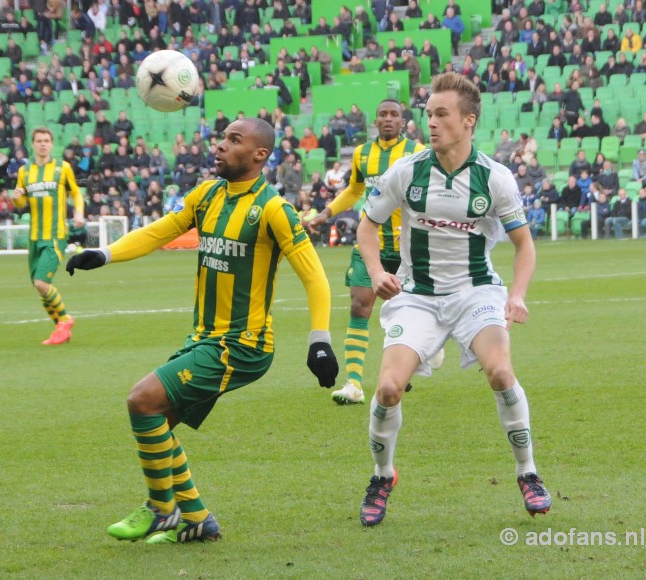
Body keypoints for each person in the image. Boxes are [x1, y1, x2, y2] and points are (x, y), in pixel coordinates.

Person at [64, 118, 339, 544]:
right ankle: (197, 519)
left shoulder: (272, 210)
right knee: (158, 419)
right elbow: (160, 231)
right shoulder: (206, 195)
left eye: (234, 140)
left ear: (259, 155)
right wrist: (104, 253)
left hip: (242, 346)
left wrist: (319, 340)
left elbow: (315, 277)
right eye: (222, 138)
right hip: (205, 339)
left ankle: (161, 509)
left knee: (142, 400)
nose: (220, 146)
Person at [354, 72, 551, 527]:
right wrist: (378, 272)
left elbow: (524, 245)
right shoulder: (406, 171)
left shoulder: (494, 178)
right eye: (429, 114)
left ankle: (529, 472)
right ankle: (383, 476)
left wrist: (516, 295)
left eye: (442, 115)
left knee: (501, 372)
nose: (432, 123)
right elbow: (367, 227)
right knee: (387, 388)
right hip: (417, 296)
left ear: (469, 121)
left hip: (475, 292)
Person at [307, 100, 435, 406]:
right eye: (383, 115)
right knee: (359, 306)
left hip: (408, 248)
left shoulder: (418, 152)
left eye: (394, 115)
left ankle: (405, 368)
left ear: (404, 122)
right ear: (375, 121)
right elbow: (354, 190)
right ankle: (354, 383)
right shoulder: (364, 153)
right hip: (371, 243)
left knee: (411, 312)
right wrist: (325, 214)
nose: (388, 119)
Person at [11, 127, 85, 346]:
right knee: (39, 286)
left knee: (42, 282)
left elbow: (76, 193)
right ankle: (60, 331)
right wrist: (16, 199)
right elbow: (21, 203)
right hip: (34, 236)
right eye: (39, 141)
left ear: (52, 144)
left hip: (55, 235)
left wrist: (79, 212)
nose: (43, 144)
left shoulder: (63, 168)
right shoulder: (24, 172)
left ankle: (64, 320)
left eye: (46, 141)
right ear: (33, 144)